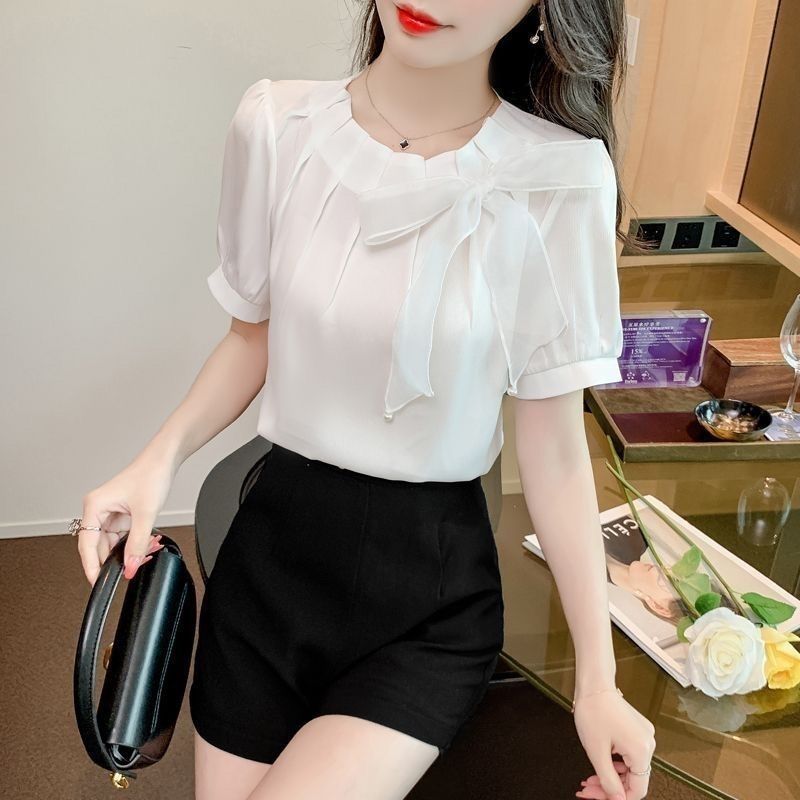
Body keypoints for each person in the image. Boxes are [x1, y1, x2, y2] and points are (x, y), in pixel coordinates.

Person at [75, 1, 657, 798]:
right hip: (271, 563)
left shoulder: (560, 176)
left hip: (427, 598)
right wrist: (156, 460)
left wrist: (597, 681)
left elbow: (554, 447)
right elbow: (252, 338)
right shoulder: (276, 125)